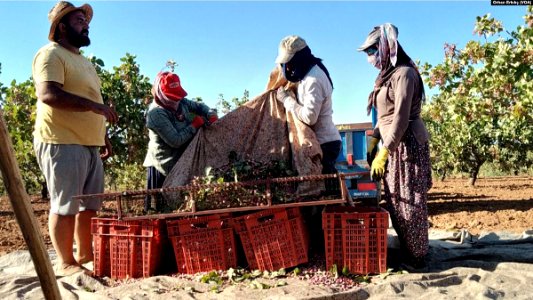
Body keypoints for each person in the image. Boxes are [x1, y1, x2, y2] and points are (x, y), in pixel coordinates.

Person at [32, 1, 118, 276]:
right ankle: (66, 261)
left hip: (89, 143)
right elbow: (49, 94)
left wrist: (101, 135)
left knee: (90, 204)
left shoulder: (83, 62)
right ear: (62, 26)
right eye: (79, 20)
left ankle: (84, 255)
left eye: (85, 19)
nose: (86, 24)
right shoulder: (50, 54)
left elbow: (92, 99)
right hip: (61, 141)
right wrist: (96, 108)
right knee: (65, 204)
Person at [358, 23, 432, 268]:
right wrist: (374, 139)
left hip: (407, 145)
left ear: (386, 47)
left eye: (372, 51)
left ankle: (418, 256)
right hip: (392, 145)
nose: (370, 58)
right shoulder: (385, 77)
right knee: (395, 201)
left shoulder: (405, 74)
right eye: (367, 53)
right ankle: (409, 249)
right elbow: (385, 116)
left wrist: (384, 151)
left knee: (411, 202)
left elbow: (400, 117)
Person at [274, 35, 342, 254]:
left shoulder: (313, 79)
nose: (287, 66)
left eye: (290, 61)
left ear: (301, 57)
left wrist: (288, 101)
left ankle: (328, 248)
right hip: (319, 143)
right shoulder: (306, 75)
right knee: (316, 197)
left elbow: (310, 117)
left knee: (323, 200)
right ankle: (322, 247)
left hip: (325, 144)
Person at [142, 71, 218, 212]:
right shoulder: (156, 114)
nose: (176, 101)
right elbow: (175, 140)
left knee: (183, 204)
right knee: (159, 208)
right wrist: (194, 125)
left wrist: (210, 113)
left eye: (178, 97)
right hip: (162, 164)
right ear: (161, 95)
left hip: (181, 159)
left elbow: (200, 106)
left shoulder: (181, 101)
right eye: (172, 97)